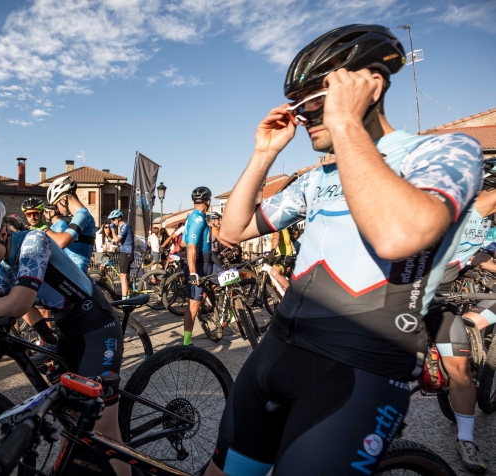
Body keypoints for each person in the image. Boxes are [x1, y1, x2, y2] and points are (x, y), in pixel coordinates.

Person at [211, 24, 483, 476]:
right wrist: (263, 154)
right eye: (299, 106)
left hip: (359, 370)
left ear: (371, 85)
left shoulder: (443, 151)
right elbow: (233, 230)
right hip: (276, 354)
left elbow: (398, 237)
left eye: (318, 98)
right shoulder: (317, 179)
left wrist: (344, 122)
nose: (305, 116)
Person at [0, 189, 128, 476]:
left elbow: (19, 303)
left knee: (104, 434)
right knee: (72, 417)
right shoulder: (5, 261)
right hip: (70, 330)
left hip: (97, 329)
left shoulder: (34, 241)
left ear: (3, 233)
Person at [427, 189, 496, 474]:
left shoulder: (481, 220)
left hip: (440, 300)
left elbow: (469, 254)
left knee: (460, 369)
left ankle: (465, 439)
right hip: (407, 298)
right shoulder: (467, 207)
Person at [44, 176, 96, 274]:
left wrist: (42, 228)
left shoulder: (82, 215)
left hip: (76, 274)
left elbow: (62, 241)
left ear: (63, 200)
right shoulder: (79, 216)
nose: (57, 210)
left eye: (56, 205)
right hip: (72, 272)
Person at [182, 187, 213, 346]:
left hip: (209, 264)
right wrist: (193, 272)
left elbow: (182, 242)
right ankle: (187, 342)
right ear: (208, 202)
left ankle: (229, 314)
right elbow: (191, 247)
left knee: (232, 278)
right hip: (199, 266)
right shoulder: (198, 219)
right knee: (193, 305)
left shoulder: (192, 217)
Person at [108, 209, 134, 299]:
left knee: (122, 278)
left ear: (118, 218)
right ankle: (128, 299)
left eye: (113, 219)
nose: (111, 221)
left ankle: (124, 301)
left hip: (126, 253)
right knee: (126, 278)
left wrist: (112, 229)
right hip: (127, 252)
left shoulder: (125, 226)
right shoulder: (123, 227)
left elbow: (116, 239)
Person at [267, 227, 293, 292]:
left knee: (275, 273)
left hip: (285, 254)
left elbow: (276, 236)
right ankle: (280, 301)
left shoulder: (276, 223)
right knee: (273, 283)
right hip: (277, 255)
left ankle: (293, 296)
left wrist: (272, 250)